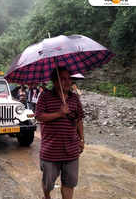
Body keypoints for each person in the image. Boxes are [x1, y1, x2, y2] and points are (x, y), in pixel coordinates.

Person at [35, 67, 84, 199]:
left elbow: (79, 120)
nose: (67, 82)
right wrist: (59, 113)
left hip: (71, 150)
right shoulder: (45, 96)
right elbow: (39, 116)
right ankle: (47, 196)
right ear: (54, 81)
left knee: (69, 184)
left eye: (69, 79)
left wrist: (82, 140)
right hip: (51, 151)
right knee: (48, 184)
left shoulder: (74, 99)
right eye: (62, 79)